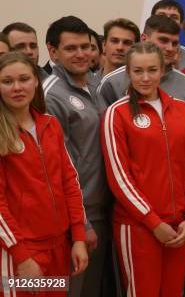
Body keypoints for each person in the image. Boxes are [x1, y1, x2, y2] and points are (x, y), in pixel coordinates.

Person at [101, 42, 185, 296]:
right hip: (138, 228)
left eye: (152, 70)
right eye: (138, 71)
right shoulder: (117, 113)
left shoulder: (181, 109)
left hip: (180, 226)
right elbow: (119, 178)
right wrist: (153, 222)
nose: (145, 78)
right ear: (128, 72)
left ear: (162, 70)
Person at [96, 14, 185, 217]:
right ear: (145, 38)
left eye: (174, 43)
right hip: (131, 206)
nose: (169, 47)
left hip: (181, 203)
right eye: (163, 40)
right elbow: (107, 152)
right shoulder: (113, 83)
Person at [0, 52, 89, 293]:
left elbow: (70, 182)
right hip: (20, 252)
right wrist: (21, 256)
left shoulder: (50, 125)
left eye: (24, 79)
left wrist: (78, 238)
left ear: (36, 81)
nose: (17, 87)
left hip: (59, 247)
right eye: (7, 82)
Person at [41, 16, 112, 296]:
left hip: (103, 209)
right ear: (53, 51)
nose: (81, 54)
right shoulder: (50, 96)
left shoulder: (96, 85)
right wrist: (81, 224)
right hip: (77, 218)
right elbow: (58, 168)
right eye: (71, 48)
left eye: (86, 46)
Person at [151, 0, 185, 70]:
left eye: (174, 17)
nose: (167, 20)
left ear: (181, 24)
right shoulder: (134, 54)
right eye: (162, 16)